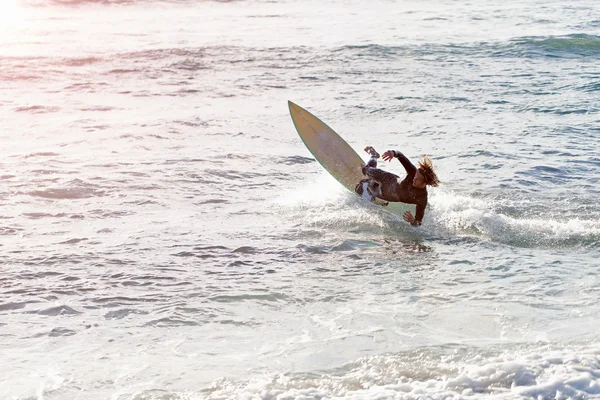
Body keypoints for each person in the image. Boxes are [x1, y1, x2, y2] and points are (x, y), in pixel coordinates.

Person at [355, 146, 439, 226]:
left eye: (418, 179)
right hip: (386, 178)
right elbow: (401, 156)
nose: (414, 179)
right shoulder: (413, 172)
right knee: (365, 170)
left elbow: (418, 222)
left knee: (367, 187)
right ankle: (373, 154)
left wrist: (413, 221)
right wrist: (393, 153)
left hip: (384, 194)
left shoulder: (421, 198)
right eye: (415, 176)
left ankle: (369, 182)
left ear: (425, 183)